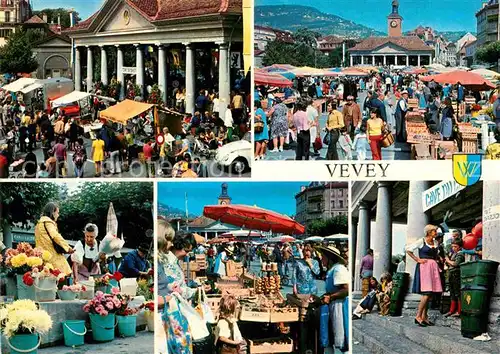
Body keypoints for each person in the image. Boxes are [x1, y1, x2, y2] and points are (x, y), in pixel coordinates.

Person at [405, 224, 443, 327]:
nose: (436, 232)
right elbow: (408, 249)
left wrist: (438, 258)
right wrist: (417, 259)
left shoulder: (435, 242)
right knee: (426, 293)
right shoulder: (421, 241)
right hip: (424, 267)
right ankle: (418, 316)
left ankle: (424, 317)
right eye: (435, 231)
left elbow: (436, 253)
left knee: (430, 294)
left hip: (433, 267)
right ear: (429, 232)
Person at [320, 246, 349, 353]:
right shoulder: (331, 270)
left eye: (323, 257)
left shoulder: (338, 269)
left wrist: (330, 297)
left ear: (329, 258)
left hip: (340, 306)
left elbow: (346, 289)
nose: (321, 259)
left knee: (342, 336)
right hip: (334, 305)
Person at [35, 202, 74, 275]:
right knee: (62, 276)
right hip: (53, 257)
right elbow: (56, 236)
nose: (58, 215)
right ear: (52, 212)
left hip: (42, 258)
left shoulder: (38, 224)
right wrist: (67, 247)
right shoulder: (48, 223)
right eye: (57, 212)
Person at [444, 239, 465, 317]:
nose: (453, 248)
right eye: (452, 246)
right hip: (451, 274)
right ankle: (452, 310)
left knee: (457, 293)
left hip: (456, 275)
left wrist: (447, 260)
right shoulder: (454, 254)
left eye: (455, 246)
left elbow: (455, 264)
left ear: (460, 247)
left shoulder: (460, 254)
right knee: (452, 293)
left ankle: (459, 311)